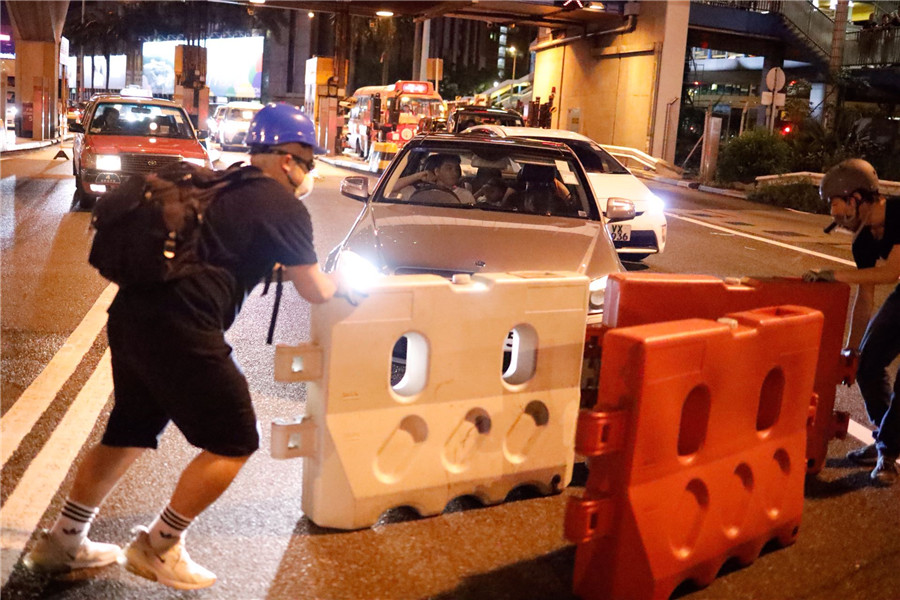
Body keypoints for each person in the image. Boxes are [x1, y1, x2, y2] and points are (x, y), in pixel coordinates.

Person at [23, 103, 355, 588]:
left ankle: (63, 542)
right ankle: (159, 546)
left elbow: (224, 250)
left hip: (132, 317)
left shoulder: (225, 183)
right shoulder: (284, 205)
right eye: (308, 158)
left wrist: (274, 273)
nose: (310, 170)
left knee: (129, 431)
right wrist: (342, 280)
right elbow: (317, 290)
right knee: (235, 441)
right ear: (287, 159)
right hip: (183, 327)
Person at [802, 158, 900, 485]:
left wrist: (834, 275)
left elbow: (890, 272)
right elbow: (866, 293)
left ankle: (887, 452)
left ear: (857, 198)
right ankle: (885, 437)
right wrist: (852, 351)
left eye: (838, 205)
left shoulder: (899, 214)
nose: (837, 215)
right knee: (869, 365)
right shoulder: (863, 240)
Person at [393, 153, 476, 204]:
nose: (455, 173)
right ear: (437, 171)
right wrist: (418, 176)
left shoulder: (465, 195)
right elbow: (390, 188)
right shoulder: (414, 190)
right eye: (449, 168)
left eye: (457, 169)